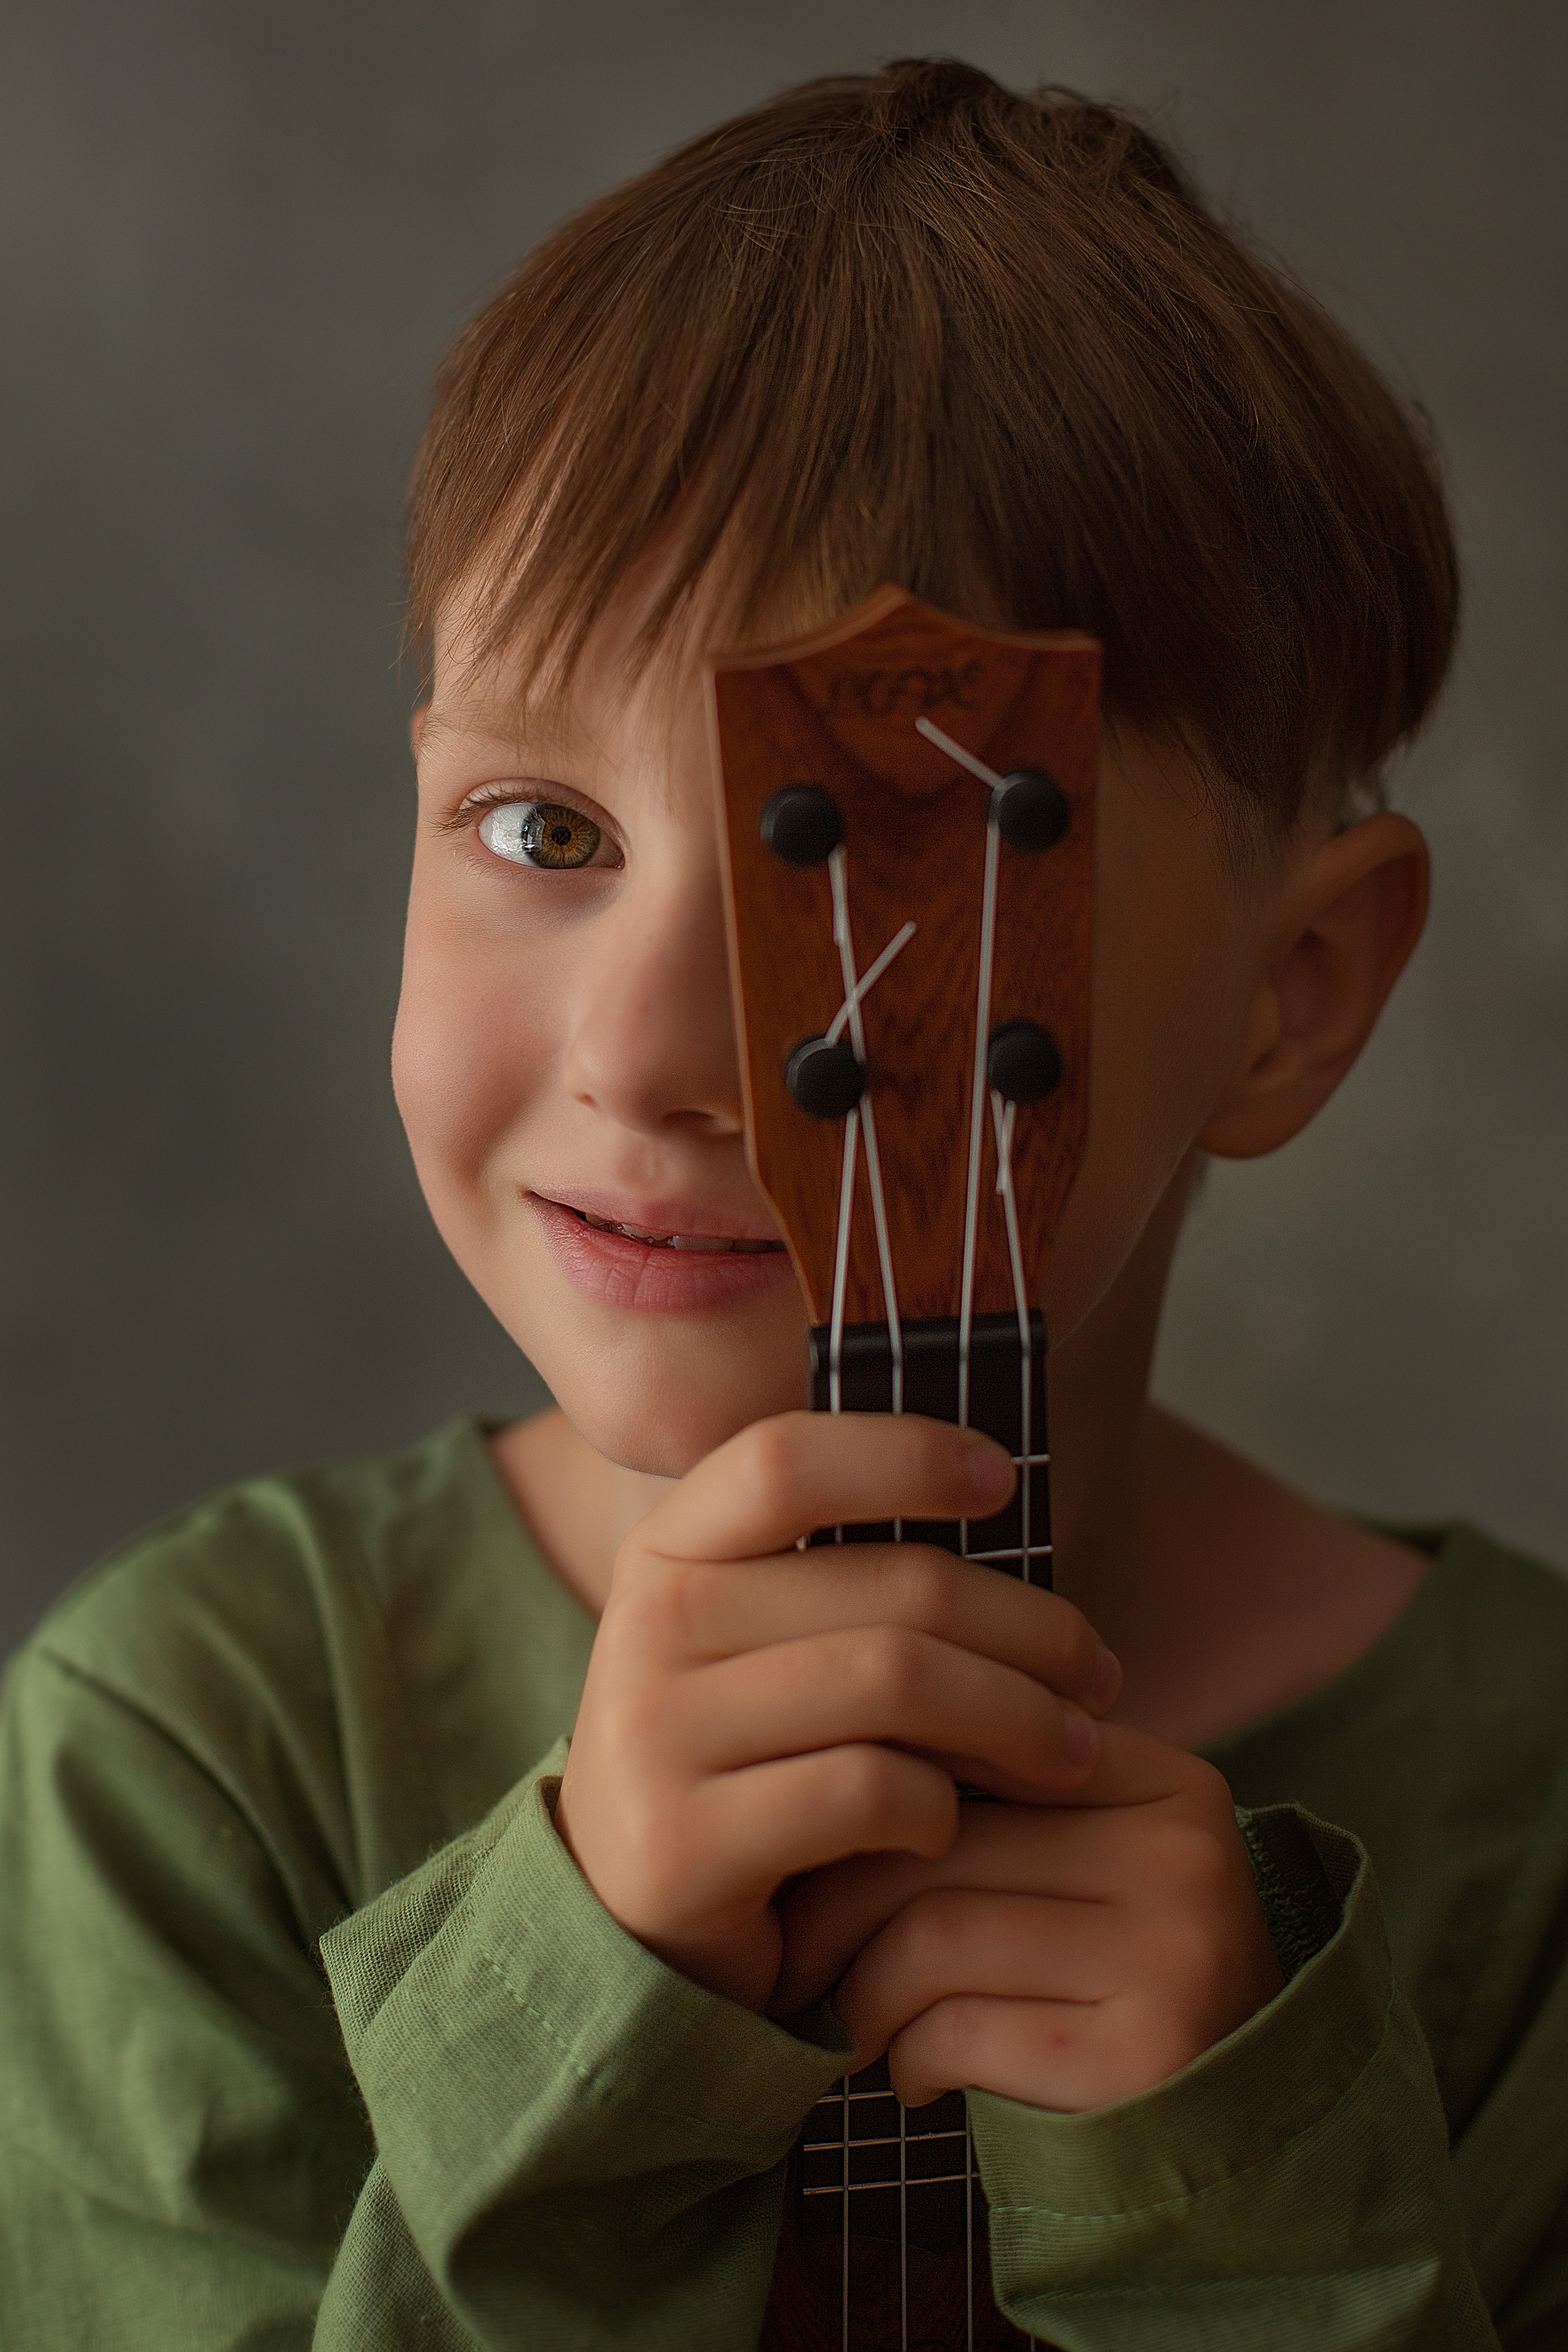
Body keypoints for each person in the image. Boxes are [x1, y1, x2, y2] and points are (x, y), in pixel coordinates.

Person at [2, 58, 1564, 2352]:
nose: (643, 1054)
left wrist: (1248, 2216)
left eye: (872, 881)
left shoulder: (1533, 1827)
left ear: (1289, 997)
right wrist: (579, 2034)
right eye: (545, 830)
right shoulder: (189, 1748)